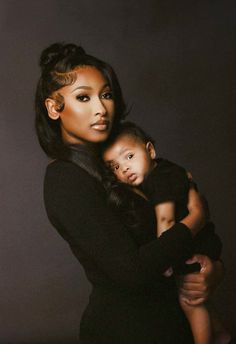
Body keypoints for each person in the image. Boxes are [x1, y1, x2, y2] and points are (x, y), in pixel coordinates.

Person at [35, 42, 225, 344]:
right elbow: (132, 272)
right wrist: (197, 218)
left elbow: (178, 215)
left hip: (181, 326)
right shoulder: (65, 179)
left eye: (106, 95)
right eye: (83, 97)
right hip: (127, 330)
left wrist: (213, 270)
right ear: (53, 108)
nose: (100, 109)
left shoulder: (121, 157)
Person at [102, 121, 229, 344]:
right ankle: (220, 333)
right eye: (115, 166)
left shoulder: (160, 181)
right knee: (198, 294)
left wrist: (164, 258)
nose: (124, 168)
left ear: (150, 150)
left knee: (190, 300)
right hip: (201, 239)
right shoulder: (164, 169)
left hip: (193, 245)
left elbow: (165, 219)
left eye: (129, 157)